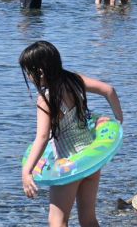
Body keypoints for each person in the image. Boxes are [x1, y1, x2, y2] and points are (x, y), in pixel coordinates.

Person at [19, 41, 123, 227]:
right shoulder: (73, 80)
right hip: (90, 160)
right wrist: (118, 119)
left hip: (70, 164)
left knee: (57, 221)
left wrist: (26, 171)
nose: (28, 75)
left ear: (40, 71)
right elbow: (109, 90)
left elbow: (42, 138)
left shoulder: (46, 99)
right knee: (88, 220)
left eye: (29, 71)